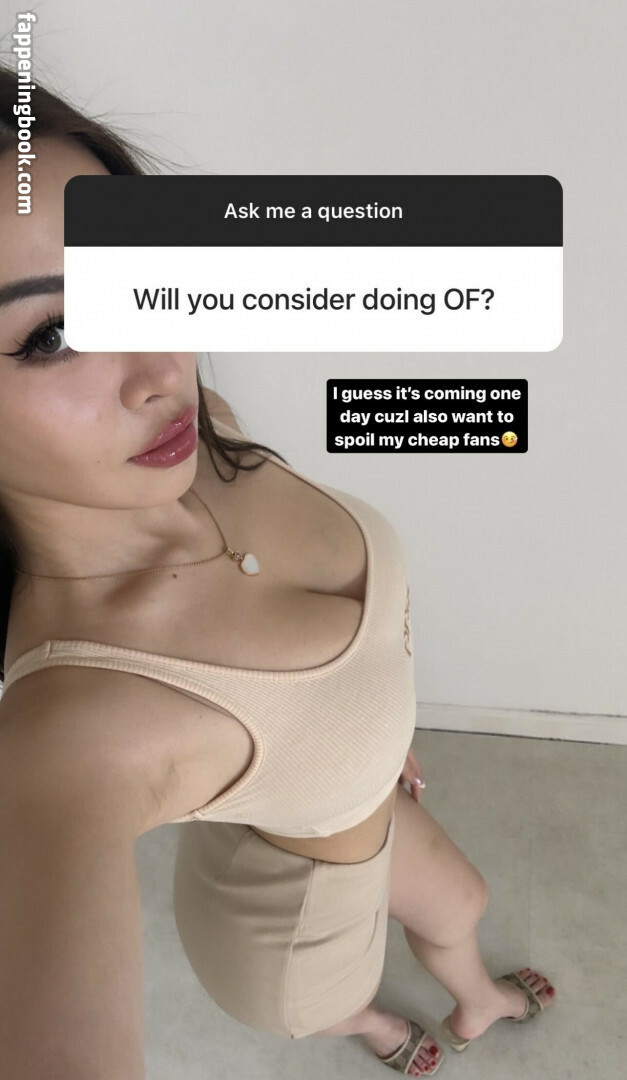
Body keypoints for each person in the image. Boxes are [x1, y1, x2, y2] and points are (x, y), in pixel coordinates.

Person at [0, 64, 555, 1078]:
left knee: (462, 907)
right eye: (53, 334)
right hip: (286, 932)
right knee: (334, 998)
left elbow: (345, 655)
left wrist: (367, 722)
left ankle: (475, 1004)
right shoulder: (72, 731)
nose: (161, 365)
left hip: (352, 802)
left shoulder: (197, 437)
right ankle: (372, 1028)